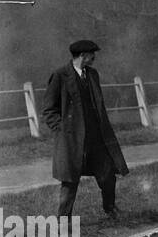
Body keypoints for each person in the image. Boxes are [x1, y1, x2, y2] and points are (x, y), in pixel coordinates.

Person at [42, 39, 130, 221]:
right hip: (72, 141)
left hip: (96, 139)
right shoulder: (60, 75)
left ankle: (110, 209)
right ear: (82, 55)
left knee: (108, 174)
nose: (94, 57)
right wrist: (62, 129)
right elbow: (49, 110)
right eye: (92, 54)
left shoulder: (93, 75)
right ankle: (63, 220)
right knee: (70, 181)